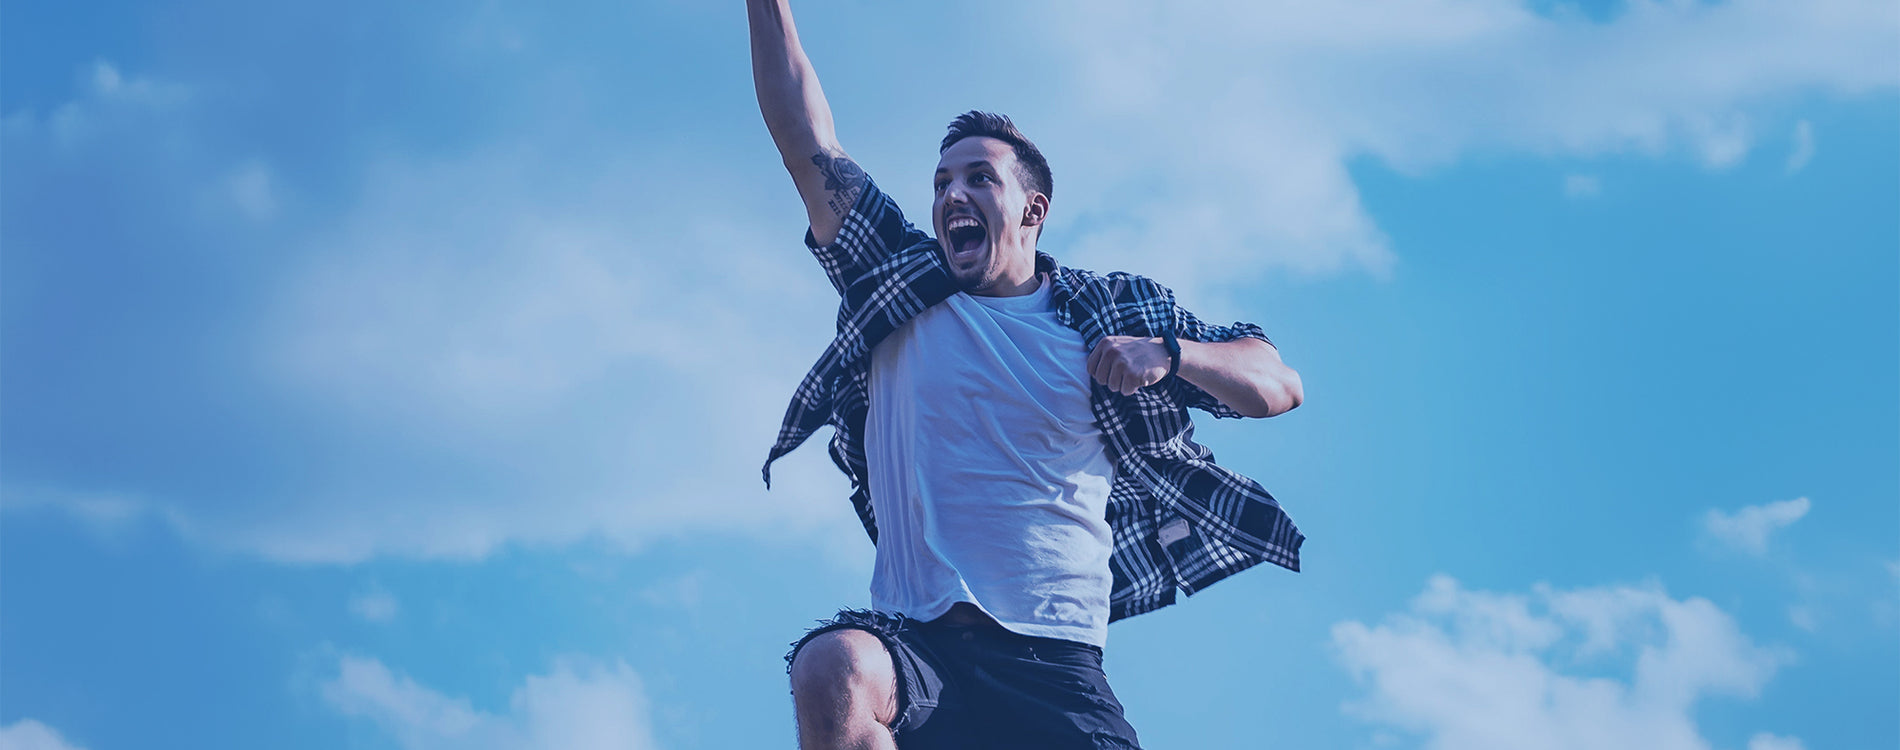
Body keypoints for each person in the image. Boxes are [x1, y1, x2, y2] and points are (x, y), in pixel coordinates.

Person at [747, 2, 1306, 747]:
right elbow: (803, 134)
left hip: (1057, 663)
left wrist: (1170, 354)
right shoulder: (893, 275)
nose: (952, 196)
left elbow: (1276, 383)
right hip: (917, 646)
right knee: (832, 667)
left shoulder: (1109, 311)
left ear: (1032, 208)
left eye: (979, 178)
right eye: (942, 182)